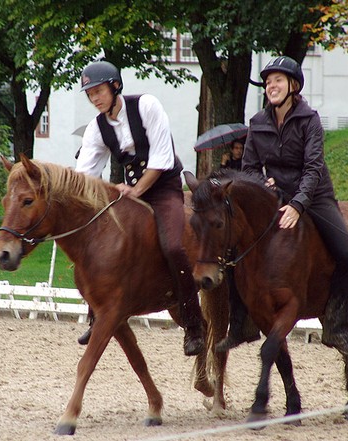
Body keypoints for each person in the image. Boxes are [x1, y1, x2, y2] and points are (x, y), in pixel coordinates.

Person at [215, 56, 348, 359]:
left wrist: (298, 204)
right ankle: (240, 324)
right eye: (268, 83)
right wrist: (263, 186)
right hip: (274, 196)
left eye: (278, 81)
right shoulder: (257, 122)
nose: (272, 87)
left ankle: (337, 327)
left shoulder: (310, 120)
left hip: (315, 196)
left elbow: (313, 168)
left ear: (293, 86)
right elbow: (249, 167)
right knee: (232, 249)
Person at [74, 60, 205, 357]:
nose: (94, 98)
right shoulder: (97, 128)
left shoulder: (147, 105)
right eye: (89, 94)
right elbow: (85, 175)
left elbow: (161, 160)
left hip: (163, 189)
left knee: (173, 247)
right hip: (132, 192)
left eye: (98, 91)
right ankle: (97, 315)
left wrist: (133, 191)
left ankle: (194, 324)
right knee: (97, 244)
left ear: (115, 86)